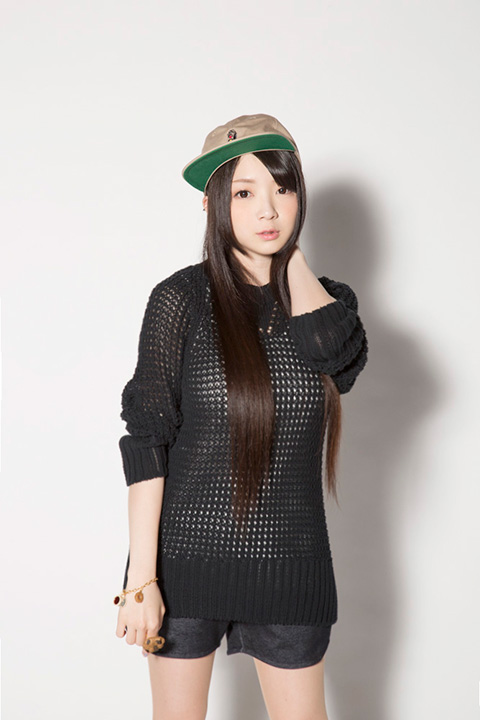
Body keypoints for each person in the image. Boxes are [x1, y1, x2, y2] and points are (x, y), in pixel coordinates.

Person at [114, 113, 369, 720]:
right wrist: (141, 580)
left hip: (292, 566)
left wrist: (290, 262)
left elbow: (335, 356)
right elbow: (148, 439)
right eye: (245, 194)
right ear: (212, 205)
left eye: (283, 189)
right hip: (184, 562)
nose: (269, 210)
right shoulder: (179, 300)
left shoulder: (327, 303)